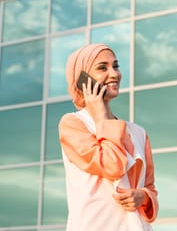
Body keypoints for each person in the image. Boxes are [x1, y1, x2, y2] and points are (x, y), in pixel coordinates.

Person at [59, 43, 159, 230]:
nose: (114, 74)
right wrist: (100, 116)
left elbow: (150, 187)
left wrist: (143, 196)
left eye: (116, 66)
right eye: (102, 68)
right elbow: (113, 166)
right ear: (82, 78)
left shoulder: (139, 133)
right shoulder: (73, 124)